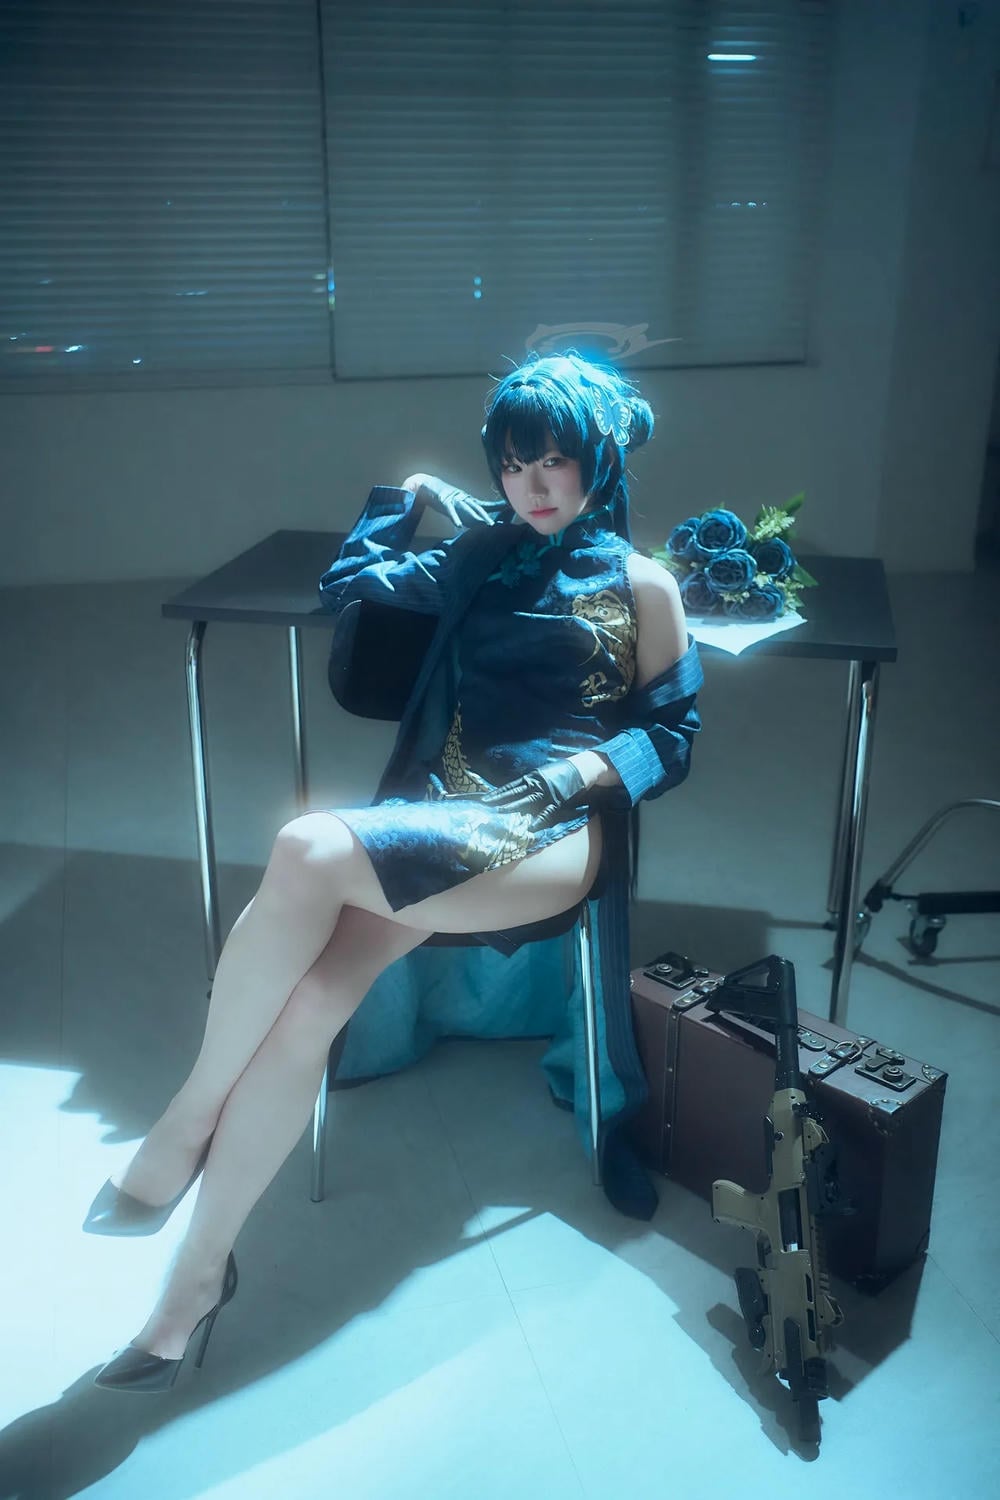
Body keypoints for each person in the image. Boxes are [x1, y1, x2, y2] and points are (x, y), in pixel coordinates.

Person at [84, 351, 703, 1393]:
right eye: (514, 464)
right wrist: (401, 500)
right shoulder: (481, 557)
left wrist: (585, 771)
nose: (533, 486)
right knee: (308, 1006)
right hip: (445, 818)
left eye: (555, 462)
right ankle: (193, 1285)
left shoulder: (644, 585)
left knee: (305, 846)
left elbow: (672, 736)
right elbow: (350, 593)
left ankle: (183, 1123)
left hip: (551, 838)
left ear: (599, 461)